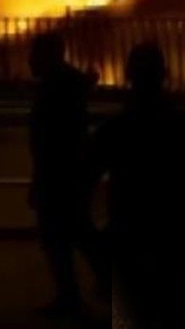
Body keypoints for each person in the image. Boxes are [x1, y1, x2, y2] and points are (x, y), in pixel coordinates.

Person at [92, 41, 185, 329]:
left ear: (127, 75)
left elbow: (82, 181)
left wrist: (98, 239)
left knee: (127, 318)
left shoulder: (116, 128)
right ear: (165, 74)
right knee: (173, 313)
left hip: (128, 234)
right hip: (173, 231)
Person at [27, 31, 106, 316]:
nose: (29, 61)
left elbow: (51, 139)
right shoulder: (63, 83)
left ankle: (80, 293)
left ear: (48, 56)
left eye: (34, 54)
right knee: (73, 233)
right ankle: (77, 293)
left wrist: (41, 179)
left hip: (59, 173)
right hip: (67, 172)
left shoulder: (56, 88)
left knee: (65, 236)